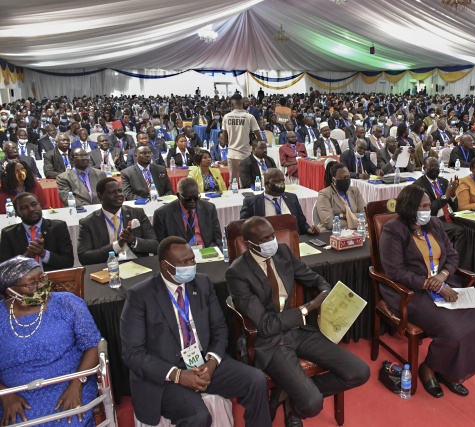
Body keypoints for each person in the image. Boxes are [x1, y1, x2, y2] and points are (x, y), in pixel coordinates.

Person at [225, 217, 369, 425]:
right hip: (271, 341)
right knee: (312, 404)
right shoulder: (237, 273)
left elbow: (313, 279)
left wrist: (326, 292)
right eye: (265, 239)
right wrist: (307, 308)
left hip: (300, 331)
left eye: (272, 235)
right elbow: (266, 325)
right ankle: (298, 403)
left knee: (359, 372)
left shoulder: (282, 252)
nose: (271, 241)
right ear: (250, 244)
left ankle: (290, 394)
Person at [120, 236, 271, 427]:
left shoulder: (202, 283)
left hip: (202, 363)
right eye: (184, 262)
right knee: (198, 416)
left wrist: (212, 362)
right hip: (166, 374)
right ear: (165, 266)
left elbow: (219, 328)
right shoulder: (140, 296)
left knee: (256, 380)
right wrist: (178, 375)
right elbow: (133, 354)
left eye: (192, 259)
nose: (191, 265)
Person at [379, 185, 475, 398]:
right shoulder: (393, 229)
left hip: (443, 285)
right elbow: (395, 272)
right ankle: (428, 368)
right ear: (408, 208)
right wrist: (432, 285)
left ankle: (449, 371)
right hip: (410, 293)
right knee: (453, 332)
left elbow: (452, 256)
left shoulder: (434, 223)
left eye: (428, 205)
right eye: (422, 206)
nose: (427, 210)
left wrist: (443, 277)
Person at [0, 256, 102, 426]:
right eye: (30, 283)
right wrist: (6, 394)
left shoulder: (68, 303)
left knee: (69, 421)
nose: (40, 286)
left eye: (42, 278)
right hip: (16, 392)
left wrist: (76, 385)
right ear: (11, 291)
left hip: (69, 382)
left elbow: (93, 345)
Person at [77, 178, 159, 265]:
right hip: (108, 266)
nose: (118, 195)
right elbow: (84, 257)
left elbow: (155, 245)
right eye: (112, 192)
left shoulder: (137, 213)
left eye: (120, 191)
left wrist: (133, 241)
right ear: (100, 196)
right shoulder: (88, 222)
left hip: (137, 264)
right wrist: (117, 245)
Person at [0, 193, 72, 270]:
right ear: (17, 212)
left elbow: (68, 262)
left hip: (54, 279)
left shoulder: (58, 227)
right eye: (24, 207)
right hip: (25, 281)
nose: (31, 209)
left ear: (40, 206)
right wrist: (26, 256)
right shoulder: (9, 234)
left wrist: (43, 253)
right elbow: (5, 270)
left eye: (34, 204)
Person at [240, 168, 319, 235]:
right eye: (276, 181)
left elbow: (302, 223)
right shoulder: (251, 202)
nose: (281, 184)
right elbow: (244, 229)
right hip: (266, 242)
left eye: (282, 181)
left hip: (292, 239)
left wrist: (309, 229)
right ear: (266, 184)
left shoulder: (292, 198)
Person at [153, 178, 223, 249]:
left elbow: (218, 239)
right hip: (179, 255)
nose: (192, 201)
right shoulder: (162, 214)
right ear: (178, 196)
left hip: (206, 252)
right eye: (188, 198)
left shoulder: (209, 208)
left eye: (196, 197)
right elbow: (161, 247)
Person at [414, 157, 465, 245]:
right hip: (434, 220)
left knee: (471, 227)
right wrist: (446, 196)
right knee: (460, 231)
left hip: (451, 216)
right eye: (431, 166)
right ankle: (455, 258)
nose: (434, 168)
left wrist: (452, 195)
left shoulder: (444, 182)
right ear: (424, 168)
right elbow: (429, 210)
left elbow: (455, 208)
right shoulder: (419, 186)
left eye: (436, 166)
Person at [220, 93, 262, 186]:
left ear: (232, 104)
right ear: (243, 103)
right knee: (245, 183)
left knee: (232, 183)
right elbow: (259, 138)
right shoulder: (249, 117)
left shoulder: (226, 117)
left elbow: (224, 140)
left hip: (232, 154)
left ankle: (233, 200)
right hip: (245, 154)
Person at [316, 162, 366, 232]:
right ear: (334, 180)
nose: (346, 180)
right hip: (334, 233)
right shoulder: (324, 194)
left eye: (348, 177)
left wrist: (344, 216)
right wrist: (355, 221)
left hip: (356, 232)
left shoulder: (355, 191)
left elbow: (366, 215)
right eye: (343, 178)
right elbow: (330, 223)